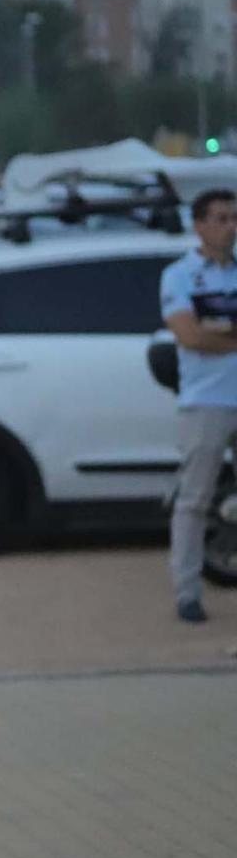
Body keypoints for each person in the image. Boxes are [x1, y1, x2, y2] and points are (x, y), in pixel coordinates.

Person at [162, 187, 237, 623]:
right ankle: (187, 592)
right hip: (206, 402)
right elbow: (189, 336)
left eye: (234, 218)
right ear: (200, 224)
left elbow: (207, 333)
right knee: (195, 500)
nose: (231, 227)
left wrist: (218, 333)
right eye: (222, 218)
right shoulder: (180, 276)